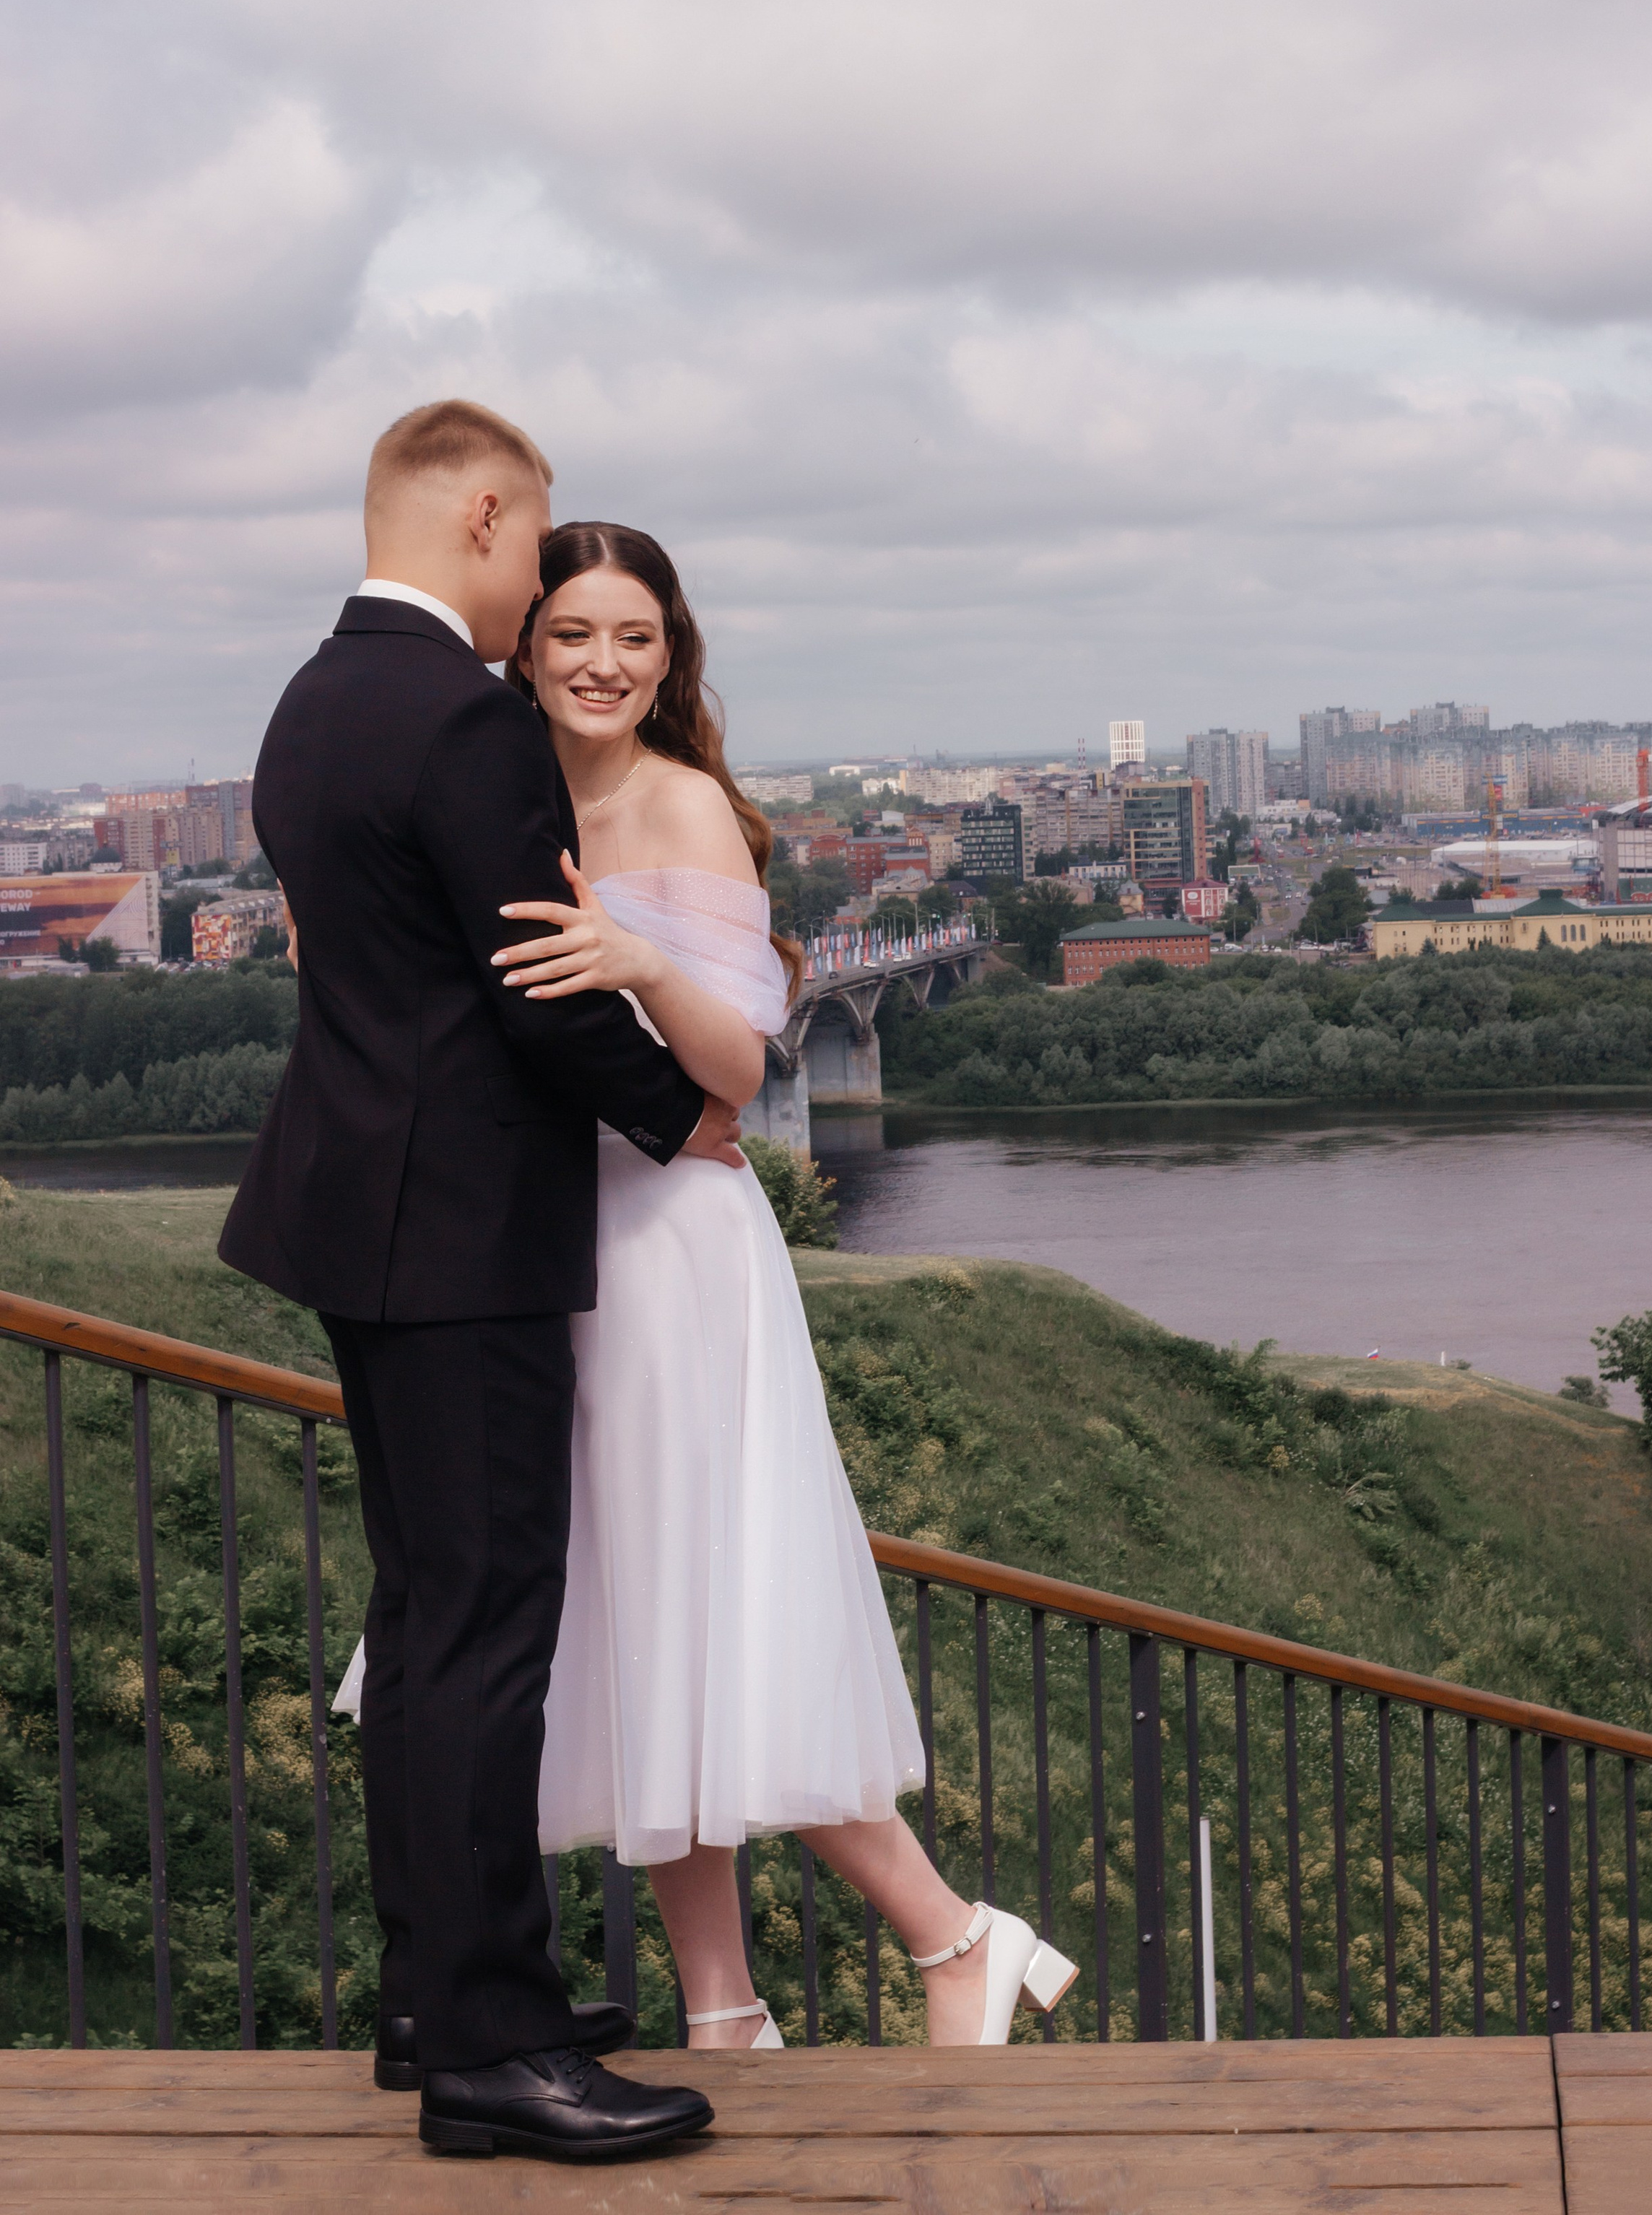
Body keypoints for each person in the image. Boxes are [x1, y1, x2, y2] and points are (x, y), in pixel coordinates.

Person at [464, 520, 1078, 2048]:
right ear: (525, 644)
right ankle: (724, 2012)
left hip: (674, 1244)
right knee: (641, 1624)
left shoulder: (682, 807)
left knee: (703, 1611)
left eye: (636, 638)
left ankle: (952, 1932)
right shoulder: (504, 794)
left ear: (670, 659)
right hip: (566, 1241)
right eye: (573, 636)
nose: (604, 664)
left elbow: (740, 1069)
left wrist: (635, 958)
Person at [220, 402, 731, 2164]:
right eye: (537, 555)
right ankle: (493, 2051)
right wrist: (691, 1115)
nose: (538, 591)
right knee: (483, 1629)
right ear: (491, 518)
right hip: (466, 1237)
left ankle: (440, 1992)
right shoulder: (461, 718)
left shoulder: (310, 701)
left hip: (358, 1217)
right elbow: (536, 975)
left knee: (426, 1620)